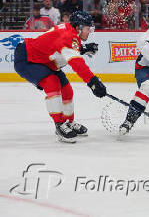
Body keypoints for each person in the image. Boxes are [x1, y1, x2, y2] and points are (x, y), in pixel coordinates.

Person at [14, 11, 106, 143]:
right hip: (28, 60)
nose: (89, 31)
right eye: (87, 28)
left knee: (67, 89)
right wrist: (93, 82)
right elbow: (76, 63)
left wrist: (83, 48)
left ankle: (68, 122)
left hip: (46, 61)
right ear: (78, 27)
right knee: (53, 83)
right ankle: (59, 125)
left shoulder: (70, 32)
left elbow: (61, 46)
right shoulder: (69, 36)